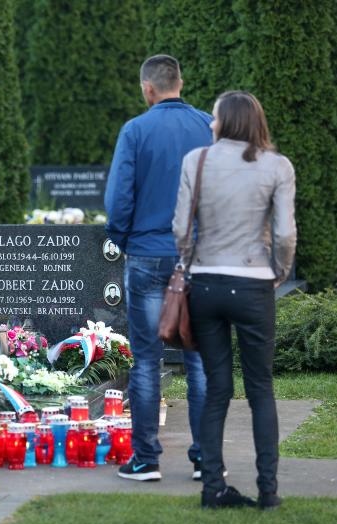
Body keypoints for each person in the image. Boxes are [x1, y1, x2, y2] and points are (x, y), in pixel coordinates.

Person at [173, 91, 296, 510]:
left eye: (214, 117)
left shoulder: (197, 161)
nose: (210, 124)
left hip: (206, 283)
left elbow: (180, 227)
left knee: (216, 390)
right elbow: (283, 234)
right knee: (261, 388)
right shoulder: (277, 166)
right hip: (254, 283)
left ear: (226, 121)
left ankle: (212, 489)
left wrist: (191, 265)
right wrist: (278, 270)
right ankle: (269, 491)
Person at [104, 54, 210, 481]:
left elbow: (118, 200)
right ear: (180, 82)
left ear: (147, 89)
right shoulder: (208, 126)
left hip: (147, 253)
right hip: (199, 256)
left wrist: (124, 239)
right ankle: (206, 458)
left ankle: (146, 458)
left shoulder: (135, 130)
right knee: (200, 359)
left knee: (146, 360)